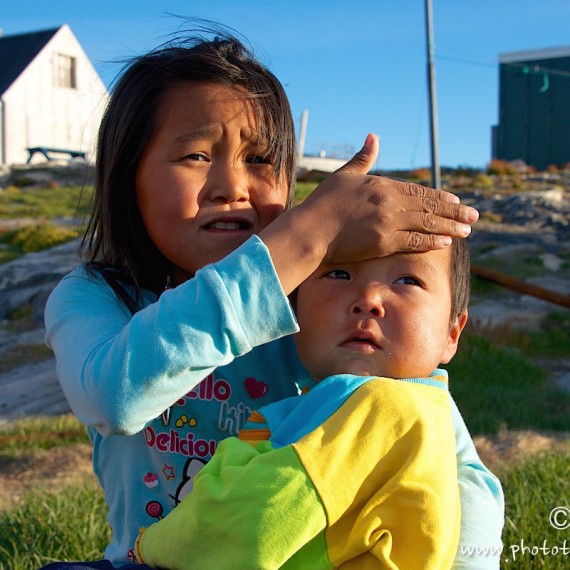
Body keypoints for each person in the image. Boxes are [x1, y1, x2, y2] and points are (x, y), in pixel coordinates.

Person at [42, 28, 502, 570]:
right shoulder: (94, 297)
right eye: (194, 154)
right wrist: (307, 237)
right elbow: (117, 397)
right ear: (128, 174)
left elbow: (441, 455)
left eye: (261, 160)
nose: (230, 185)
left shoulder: (320, 303)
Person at [132, 239, 497, 569]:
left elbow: (248, 525)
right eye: (338, 273)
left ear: (452, 332)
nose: (368, 299)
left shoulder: (389, 407)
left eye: (407, 281)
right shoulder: (428, 418)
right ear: (293, 310)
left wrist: (151, 545)